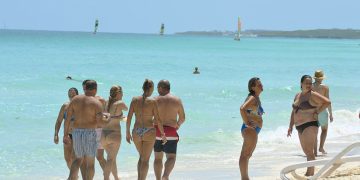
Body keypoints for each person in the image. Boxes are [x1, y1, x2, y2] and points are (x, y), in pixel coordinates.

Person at [63, 80, 110, 180]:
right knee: (90, 164)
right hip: (89, 133)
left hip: (76, 132)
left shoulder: (75, 100)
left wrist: (65, 134)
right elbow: (100, 123)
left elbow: (67, 118)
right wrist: (108, 118)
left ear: (85, 88)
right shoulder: (96, 103)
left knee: (77, 160)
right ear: (95, 89)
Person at [287, 75, 330, 176]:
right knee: (306, 151)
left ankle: (310, 174)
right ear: (301, 84)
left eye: (310, 83)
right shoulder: (297, 95)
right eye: (306, 83)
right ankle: (309, 173)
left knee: (310, 152)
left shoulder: (312, 95)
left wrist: (317, 112)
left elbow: (327, 102)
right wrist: (290, 126)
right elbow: (293, 111)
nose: (309, 85)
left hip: (310, 124)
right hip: (299, 126)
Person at [126, 79, 167, 180]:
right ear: (151, 88)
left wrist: (127, 132)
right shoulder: (153, 101)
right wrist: (163, 134)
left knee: (141, 157)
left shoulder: (134, 99)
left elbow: (129, 117)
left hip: (136, 131)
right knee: (145, 160)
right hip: (149, 131)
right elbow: (158, 120)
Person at [153, 80, 185, 180]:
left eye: (158, 87)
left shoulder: (154, 99)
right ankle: (165, 175)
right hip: (171, 131)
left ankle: (158, 179)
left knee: (158, 158)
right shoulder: (177, 100)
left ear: (161, 88)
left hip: (156, 131)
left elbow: (149, 117)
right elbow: (182, 118)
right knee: (171, 157)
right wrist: (177, 125)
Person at [239, 77, 264, 180]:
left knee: (248, 154)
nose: (261, 86)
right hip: (250, 130)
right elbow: (242, 108)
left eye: (261, 84)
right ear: (253, 88)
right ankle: (244, 178)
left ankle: (245, 178)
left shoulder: (256, 98)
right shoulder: (252, 98)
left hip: (253, 130)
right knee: (245, 154)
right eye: (259, 85)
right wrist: (247, 122)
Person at [101, 86, 128, 180]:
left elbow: (105, 116)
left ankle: (116, 177)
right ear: (118, 93)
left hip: (103, 135)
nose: (123, 94)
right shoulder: (120, 103)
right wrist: (119, 116)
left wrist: (116, 116)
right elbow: (126, 109)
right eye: (122, 93)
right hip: (114, 134)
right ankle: (106, 178)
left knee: (112, 158)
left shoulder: (105, 102)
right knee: (110, 159)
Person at [82, 79, 107, 174]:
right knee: (98, 159)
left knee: (94, 160)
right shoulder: (100, 100)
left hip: (93, 132)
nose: (84, 90)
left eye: (85, 88)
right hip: (97, 131)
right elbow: (105, 115)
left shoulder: (82, 100)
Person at [53, 87, 79, 170]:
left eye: (73, 94)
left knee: (76, 158)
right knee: (67, 158)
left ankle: (74, 176)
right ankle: (74, 176)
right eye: (69, 94)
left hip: (78, 134)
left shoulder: (80, 106)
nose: (71, 95)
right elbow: (59, 121)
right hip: (67, 135)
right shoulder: (65, 106)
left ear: (77, 95)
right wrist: (56, 134)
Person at [312, 70, 333, 155]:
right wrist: (331, 114)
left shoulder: (311, 86)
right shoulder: (325, 87)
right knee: (324, 130)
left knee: (315, 132)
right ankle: (321, 147)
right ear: (322, 78)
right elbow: (328, 101)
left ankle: (315, 152)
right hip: (323, 111)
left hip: (313, 111)